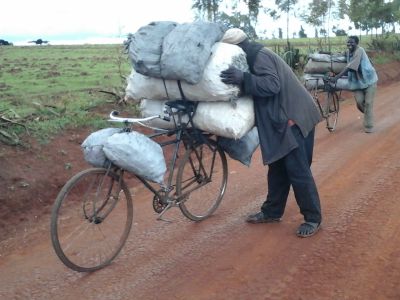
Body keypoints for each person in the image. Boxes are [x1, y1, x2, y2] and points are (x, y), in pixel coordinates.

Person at [219, 28, 323, 238]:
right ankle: (272, 211)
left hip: (291, 118)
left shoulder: (259, 56)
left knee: (297, 170)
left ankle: (313, 218)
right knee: (277, 167)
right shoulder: (253, 56)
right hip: (280, 120)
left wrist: (244, 78)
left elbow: (272, 85)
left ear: (237, 48)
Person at [332, 36, 378, 133]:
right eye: (348, 43)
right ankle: (368, 114)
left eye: (352, 43)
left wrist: (337, 77)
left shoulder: (360, 50)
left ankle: (368, 126)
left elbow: (351, 67)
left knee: (368, 103)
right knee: (359, 102)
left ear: (357, 43)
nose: (349, 44)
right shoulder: (348, 52)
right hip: (357, 82)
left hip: (369, 80)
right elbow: (340, 56)